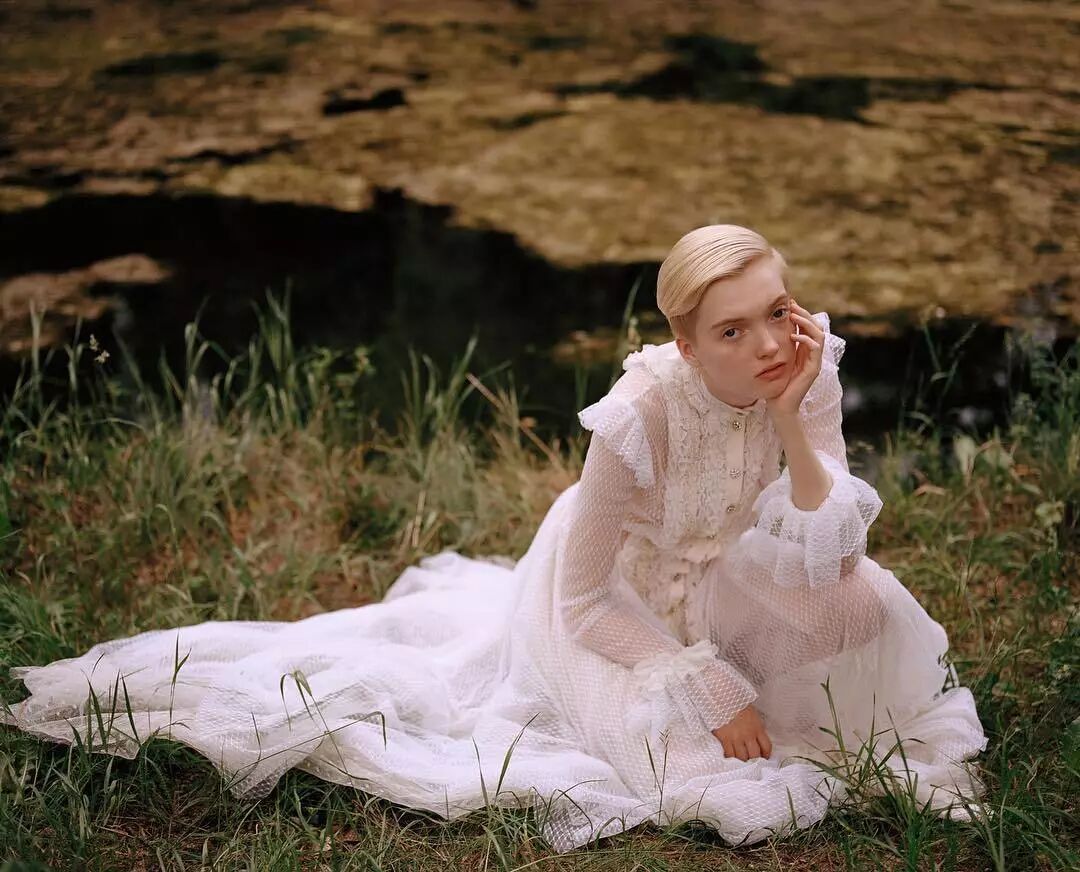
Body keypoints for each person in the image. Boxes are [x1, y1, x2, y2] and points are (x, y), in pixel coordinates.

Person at [1, 224, 988, 853]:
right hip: (612, 600)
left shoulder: (802, 367)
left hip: (721, 569)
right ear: (686, 345)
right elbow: (582, 601)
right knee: (703, 772)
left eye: (776, 313)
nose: (769, 344)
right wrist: (707, 681)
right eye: (733, 331)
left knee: (862, 603)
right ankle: (705, 690)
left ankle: (745, 672)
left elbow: (834, 554)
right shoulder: (638, 414)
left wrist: (791, 420)